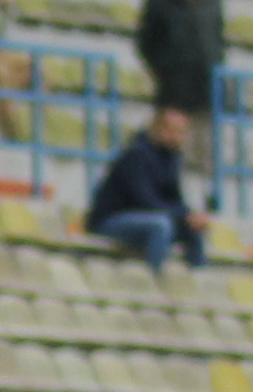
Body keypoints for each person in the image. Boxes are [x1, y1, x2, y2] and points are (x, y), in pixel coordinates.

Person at [87, 105, 208, 273]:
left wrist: (191, 216)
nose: (176, 136)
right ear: (156, 129)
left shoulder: (171, 159)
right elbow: (145, 201)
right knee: (160, 226)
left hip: (148, 217)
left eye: (181, 132)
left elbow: (175, 199)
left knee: (194, 229)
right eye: (171, 130)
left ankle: (197, 278)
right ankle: (153, 278)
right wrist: (183, 216)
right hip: (112, 220)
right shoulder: (136, 155)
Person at [136, 0, 222, 163]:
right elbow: (146, 42)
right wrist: (164, 70)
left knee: (205, 152)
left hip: (205, 87)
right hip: (173, 90)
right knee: (170, 150)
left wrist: (214, 62)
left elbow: (218, 35)